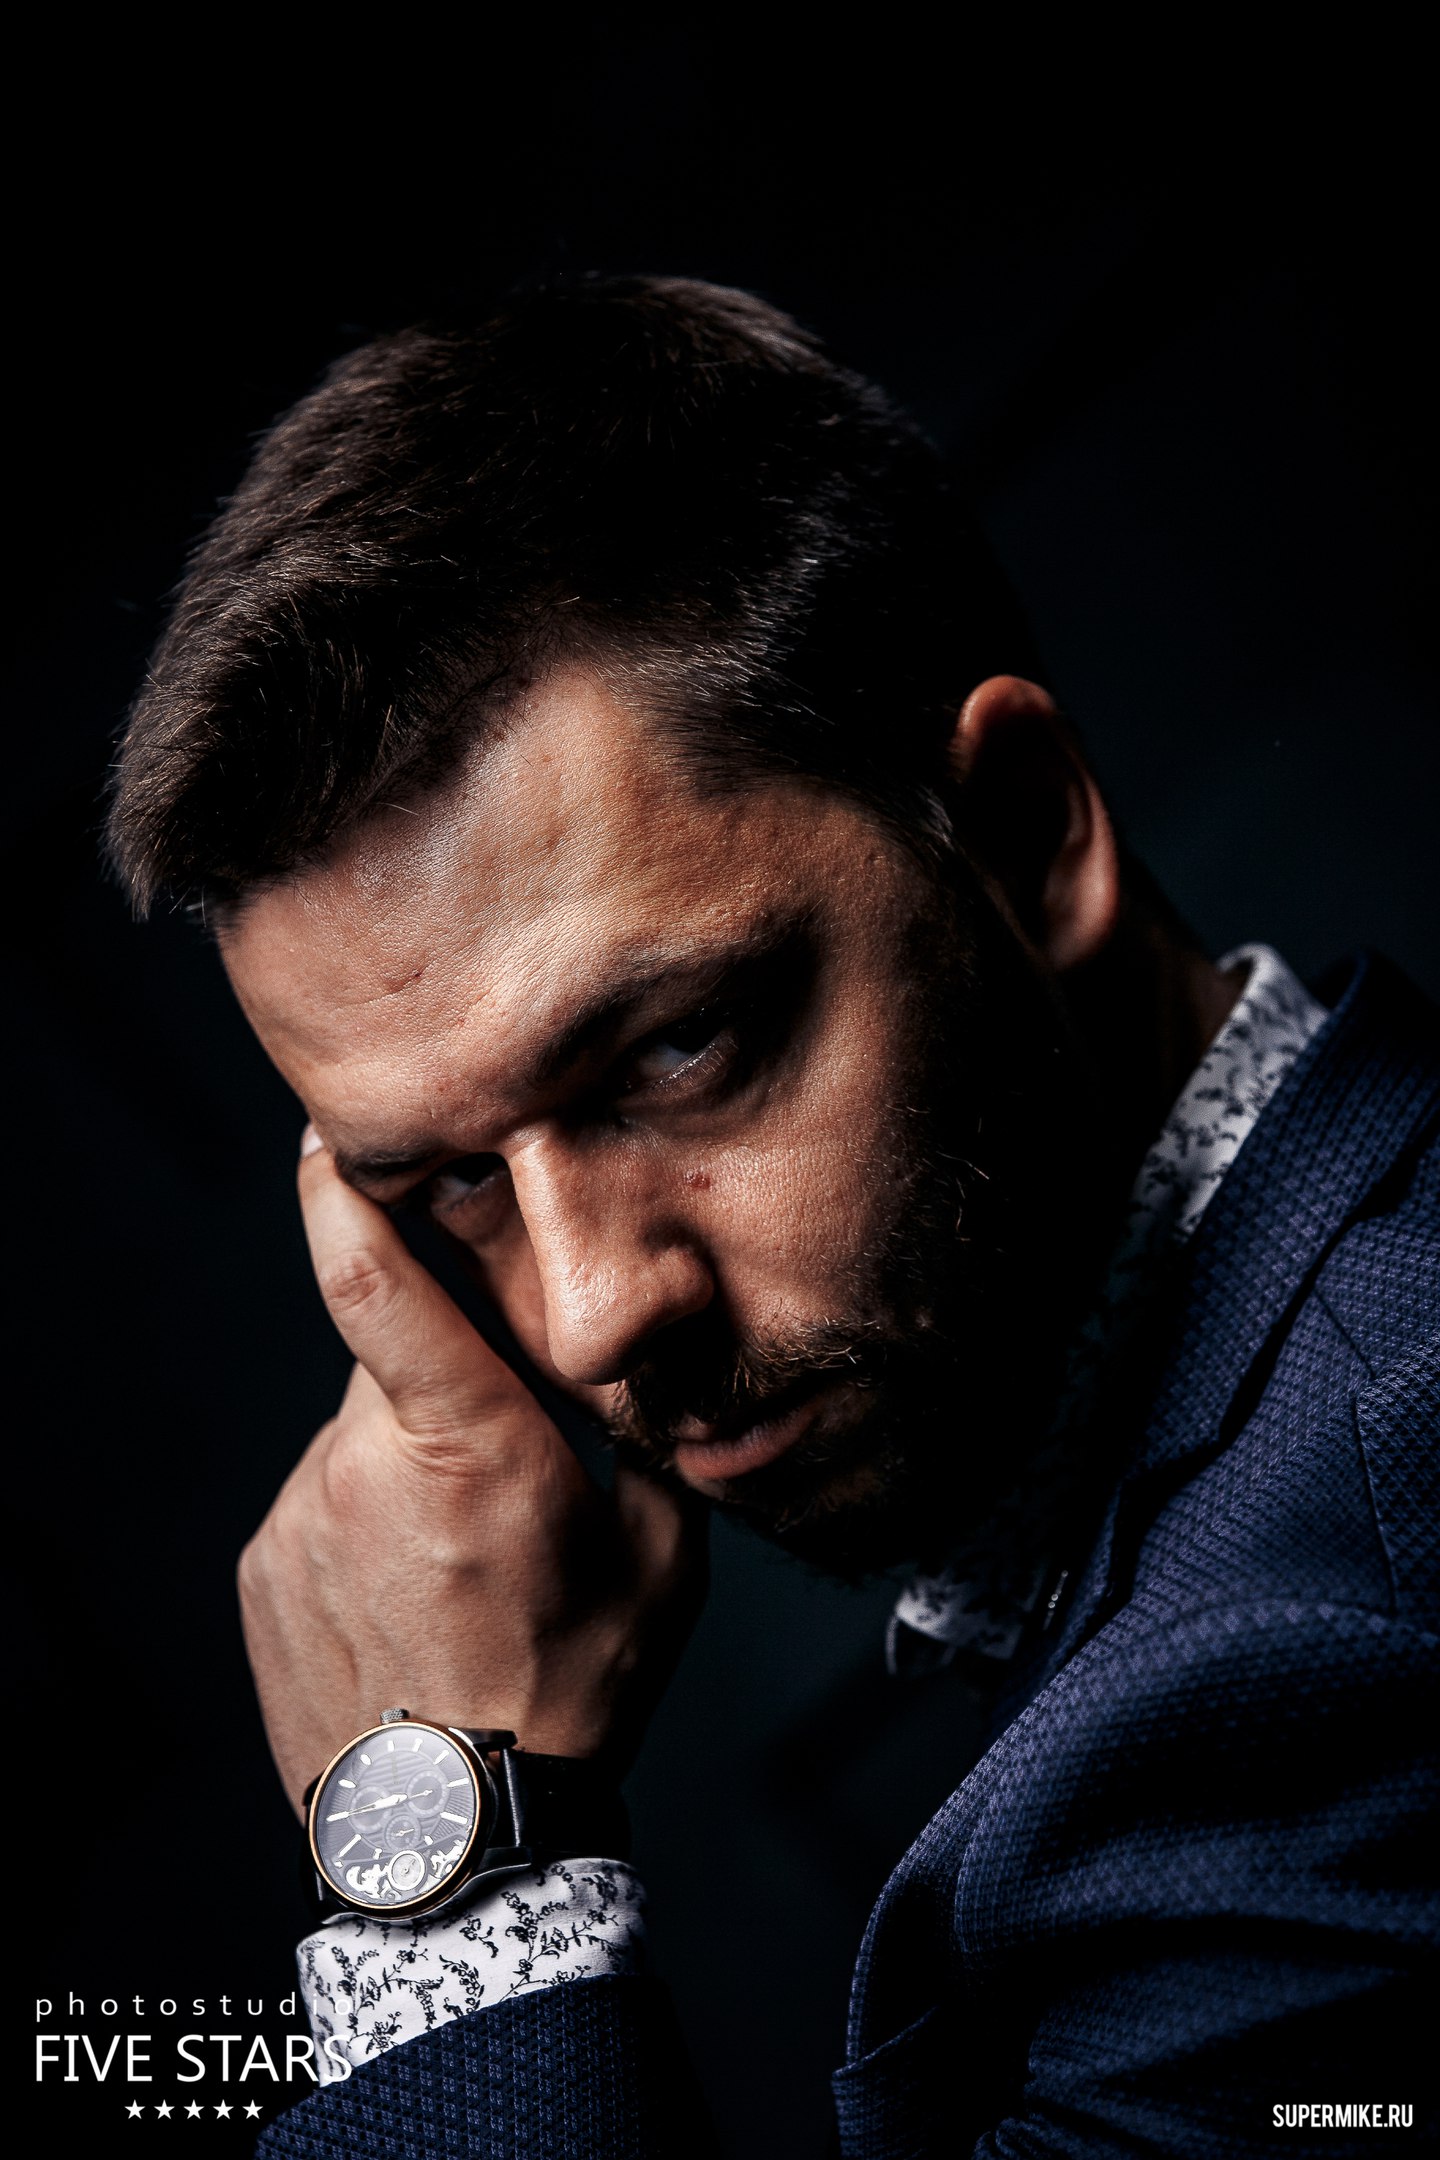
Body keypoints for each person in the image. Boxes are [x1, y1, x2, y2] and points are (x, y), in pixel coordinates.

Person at [106, 276, 1437, 2158]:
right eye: (451, 1180)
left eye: (679, 1047)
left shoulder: (1354, 1590)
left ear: (1028, 834)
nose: (588, 1318)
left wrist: (454, 1909)